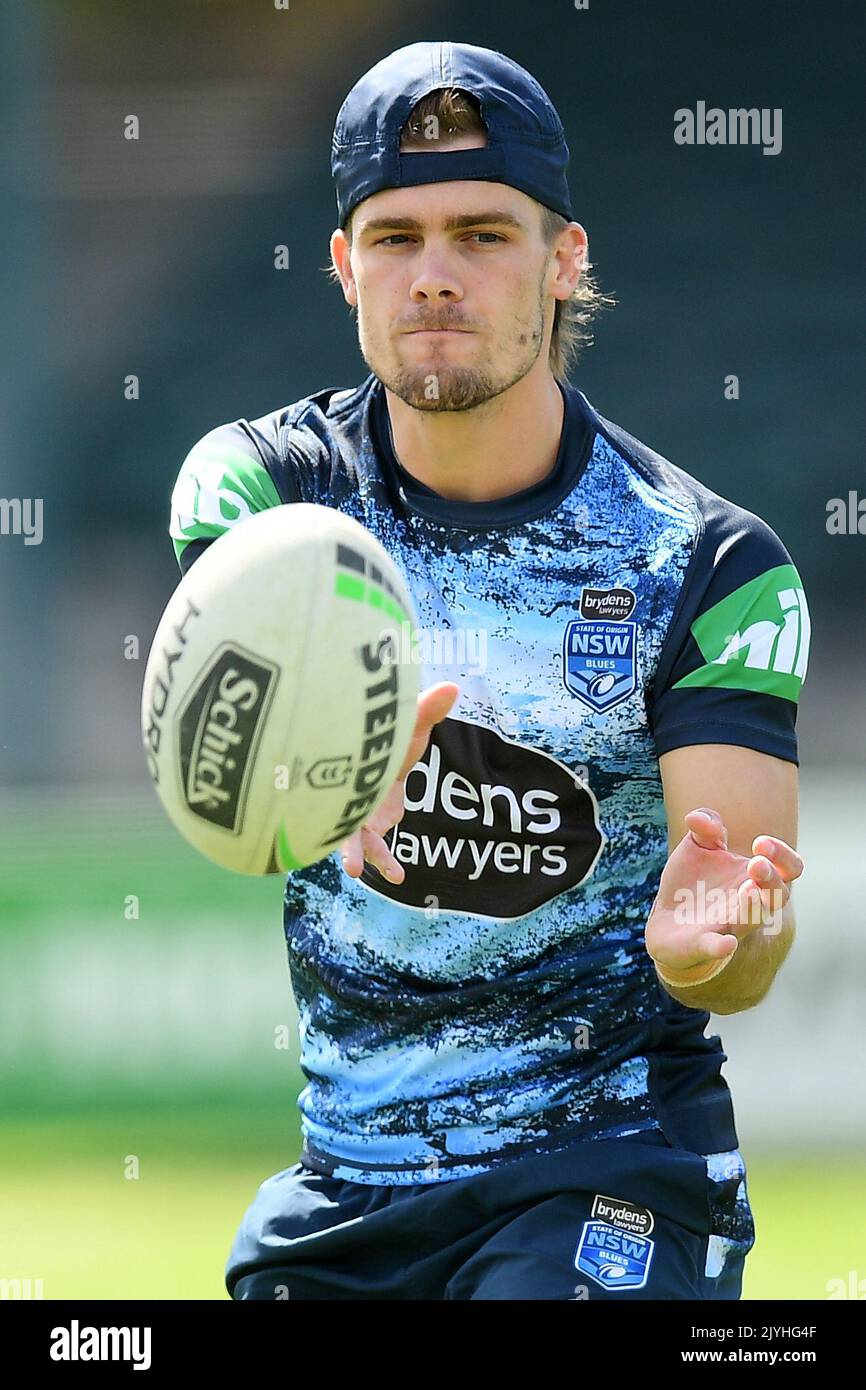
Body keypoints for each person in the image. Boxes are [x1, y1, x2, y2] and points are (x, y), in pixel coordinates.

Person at [168, 41, 809, 1300]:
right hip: (343, 1187)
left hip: (606, 1169)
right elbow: (227, 608)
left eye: (481, 233)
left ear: (563, 260)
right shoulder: (269, 485)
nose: (435, 278)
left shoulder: (709, 564)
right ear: (346, 267)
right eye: (395, 238)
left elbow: (742, 946)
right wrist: (327, 754)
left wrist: (705, 952)